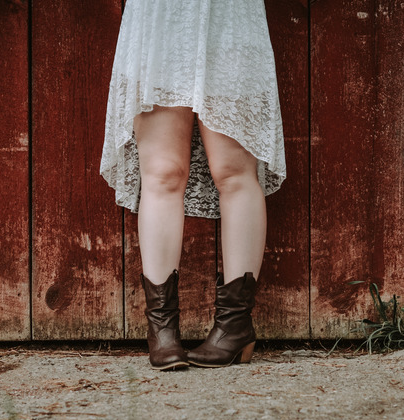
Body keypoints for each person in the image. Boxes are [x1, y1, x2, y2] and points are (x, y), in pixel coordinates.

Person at [100, 0, 285, 370]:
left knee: (234, 171)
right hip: (161, 19)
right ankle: (162, 329)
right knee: (162, 172)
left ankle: (235, 326)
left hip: (228, 17)